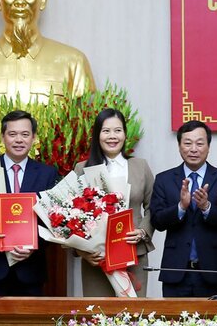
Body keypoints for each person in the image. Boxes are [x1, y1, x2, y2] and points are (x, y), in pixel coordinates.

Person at [0, 110, 58, 296]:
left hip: (30, 271)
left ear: (33, 138)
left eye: (25, 134)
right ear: (2, 137)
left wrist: (34, 245)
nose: (19, 140)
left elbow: (54, 219)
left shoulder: (47, 174)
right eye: (12, 134)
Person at [150, 120, 217, 297]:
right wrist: (181, 207)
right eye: (188, 143)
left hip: (212, 271)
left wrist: (207, 207)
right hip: (175, 271)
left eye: (199, 143)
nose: (193, 149)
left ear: (208, 146)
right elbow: (157, 221)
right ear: (179, 146)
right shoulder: (163, 179)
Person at [74, 108, 155, 296]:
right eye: (106, 131)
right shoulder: (82, 168)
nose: (112, 136)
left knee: (134, 312)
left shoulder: (140, 166)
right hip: (97, 259)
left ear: (125, 134)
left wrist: (142, 231)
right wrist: (83, 252)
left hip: (133, 254)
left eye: (118, 130)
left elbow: (153, 207)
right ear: (97, 135)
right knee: (98, 311)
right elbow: (71, 213)